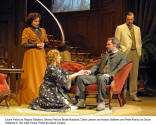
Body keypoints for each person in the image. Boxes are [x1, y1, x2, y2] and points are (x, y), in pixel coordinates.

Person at [75, 37, 127, 111]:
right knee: (81, 77)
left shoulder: (122, 56)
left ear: (115, 45)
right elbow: (97, 65)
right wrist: (89, 71)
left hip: (110, 78)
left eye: (108, 44)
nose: (106, 46)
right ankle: (82, 101)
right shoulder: (106, 55)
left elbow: (120, 68)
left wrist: (110, 74)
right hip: (99, 76)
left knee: (102, 78)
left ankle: (101, 102)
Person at [18, 12, 49, 104]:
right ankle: (31, 97)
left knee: (42, 74)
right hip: (31, 55)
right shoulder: (26, 30)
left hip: (41, 55)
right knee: (31, 75)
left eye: (38, 21)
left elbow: (47, 42)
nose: (37, 23)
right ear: (31, 21)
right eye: (35, 21)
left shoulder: (43, 30)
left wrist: (44, 44)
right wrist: (36, 45)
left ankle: (43, 96)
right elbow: (23, 44)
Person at [115, 12, 142, 102]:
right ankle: (123, 94)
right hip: (125, 53)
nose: (130, 21)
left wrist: (139, 52)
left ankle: (133, 94)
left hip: (135, 53)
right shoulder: (120, 28)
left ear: (133, 19)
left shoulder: (137, 29)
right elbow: (116, 43)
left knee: (134, 75)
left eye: (131, 19)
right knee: (124, 75)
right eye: (128, 19)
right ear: (126, 19)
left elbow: (139, 41)